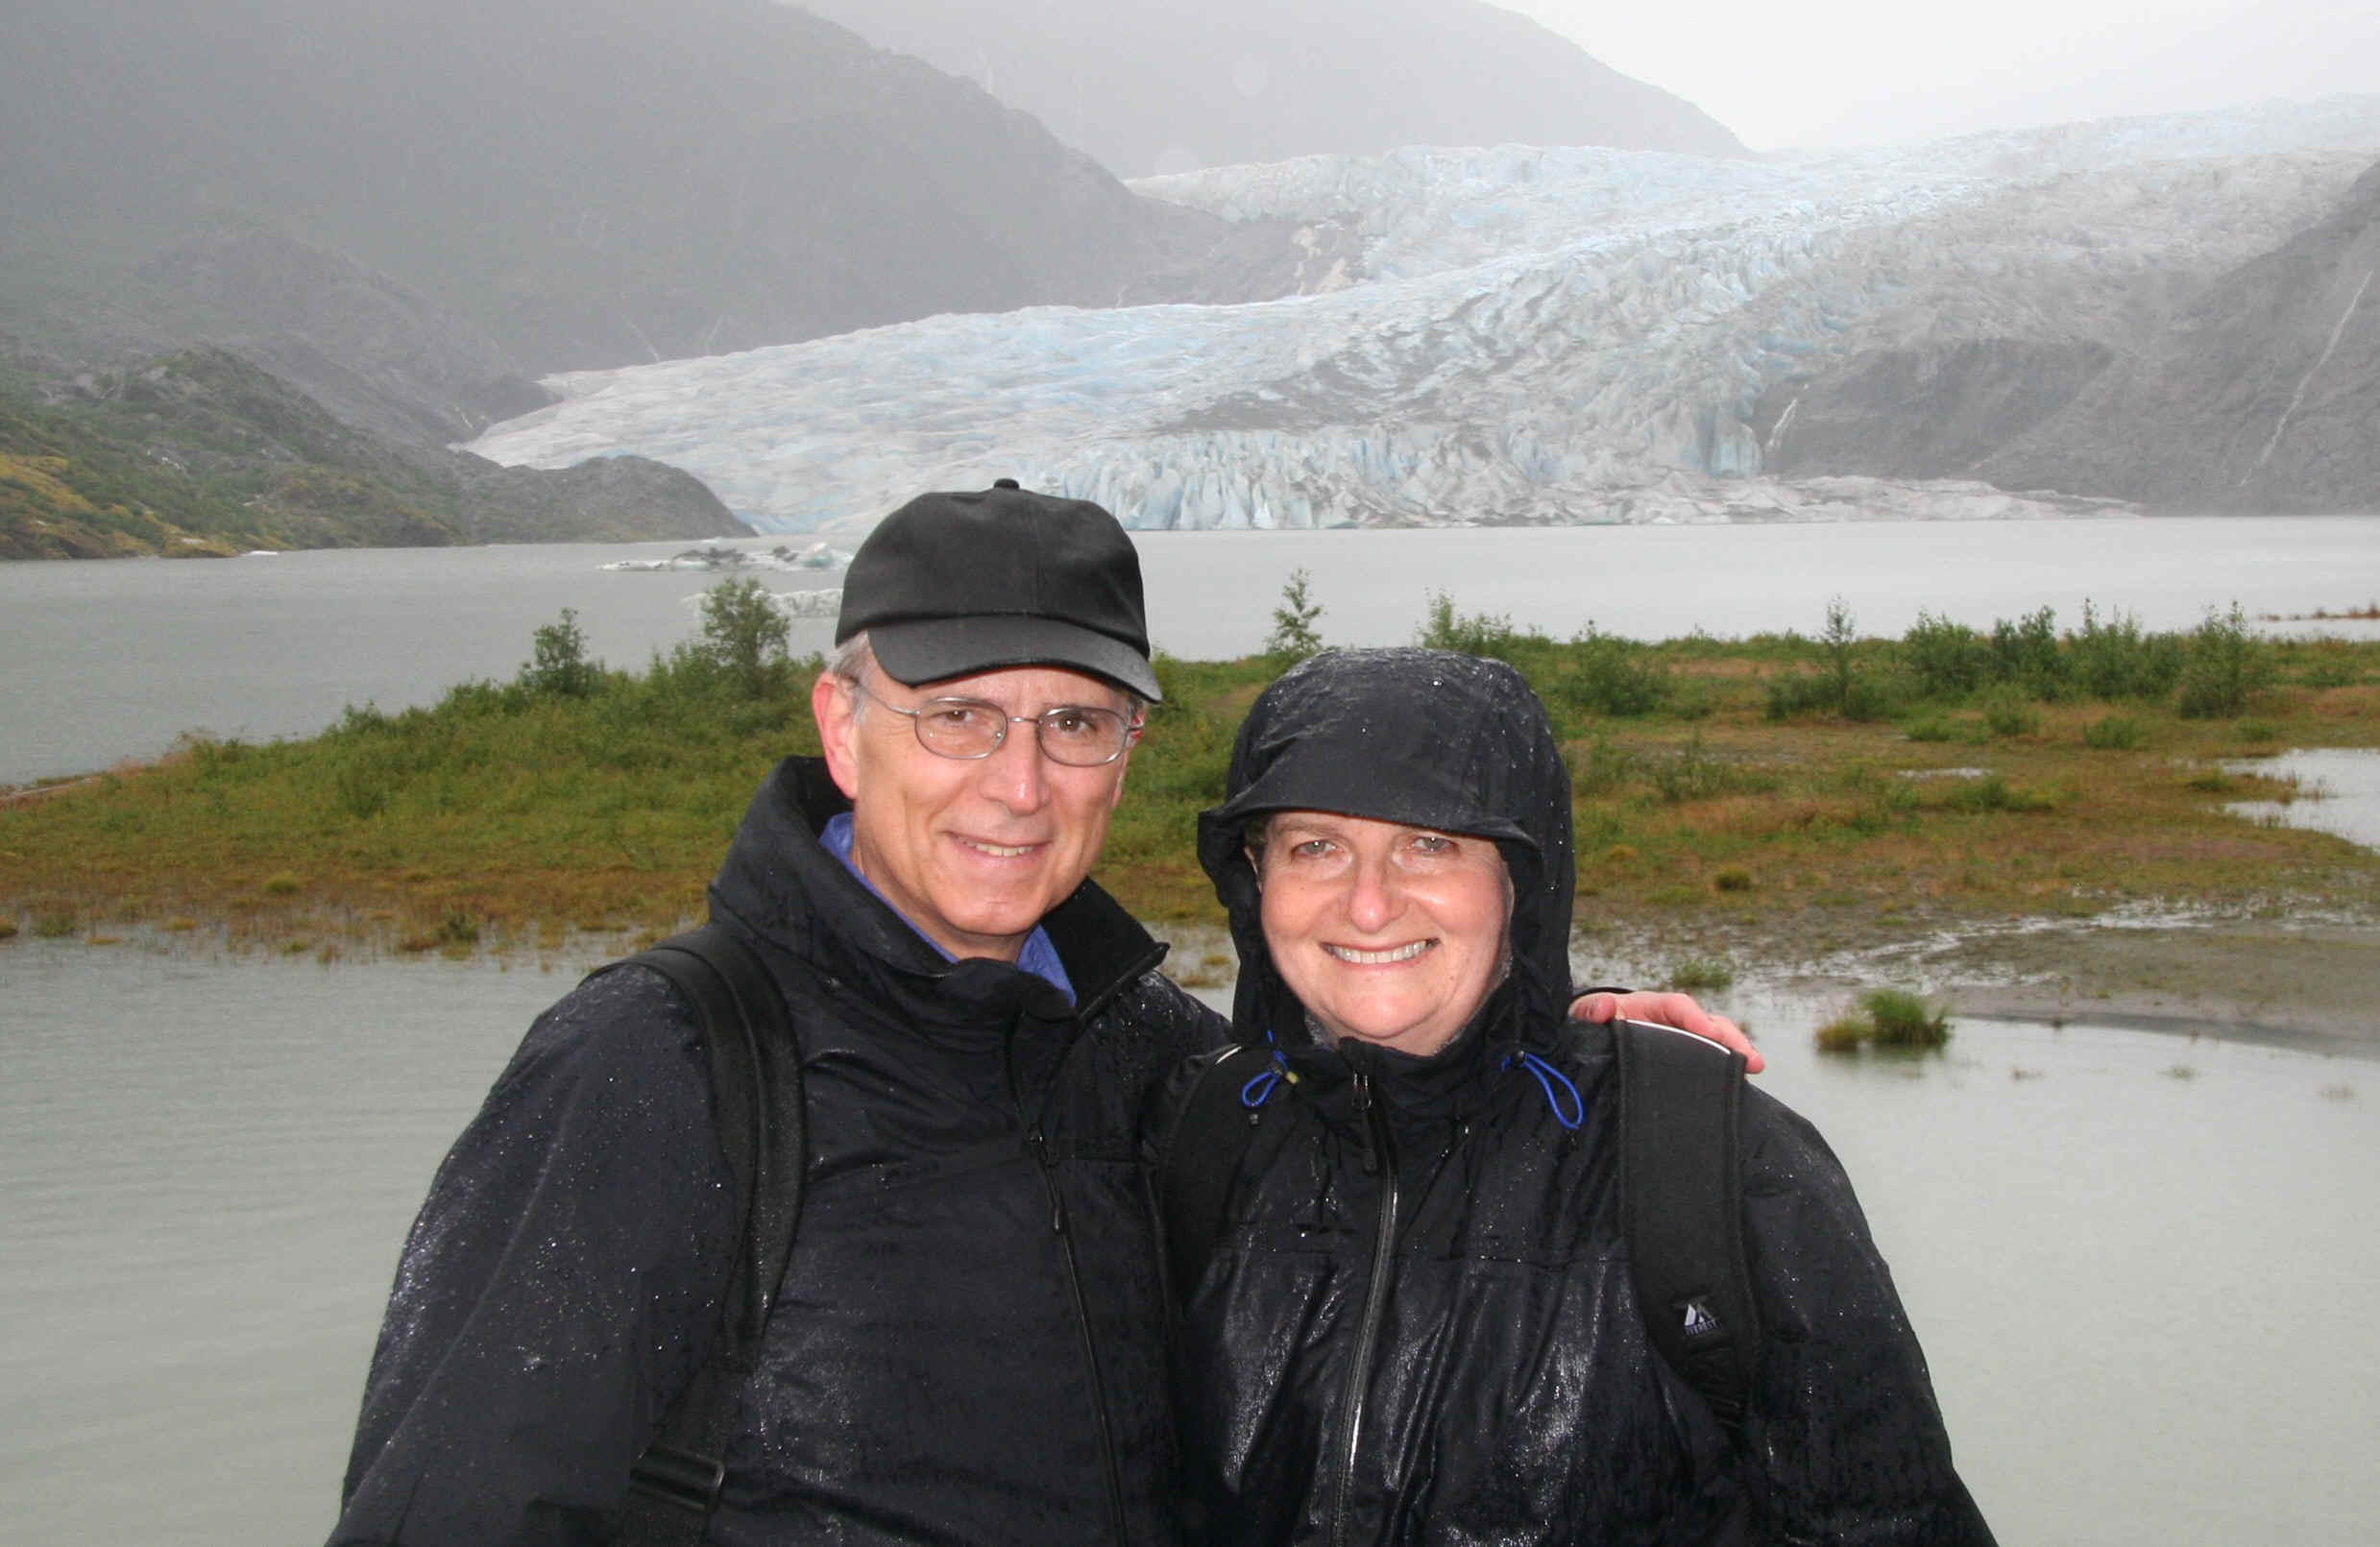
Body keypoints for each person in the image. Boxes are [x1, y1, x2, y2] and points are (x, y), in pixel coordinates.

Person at [328, 483, 1738, 1545]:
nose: (1020, 782)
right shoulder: (661, 1063)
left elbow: (1382, 1133)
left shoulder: (1160, 1064)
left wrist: (1550, 1042)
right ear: (841, 722)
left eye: (1075, 720)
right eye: (958, 713)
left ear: (1126, 751)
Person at [1156, 647, 1993, 1545]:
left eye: (1430, 842)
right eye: (1315, 846)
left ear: (1522, 882)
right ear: (1255, 878)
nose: (1368, 904)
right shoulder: (1201, 1135)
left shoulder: (1711, 1165)